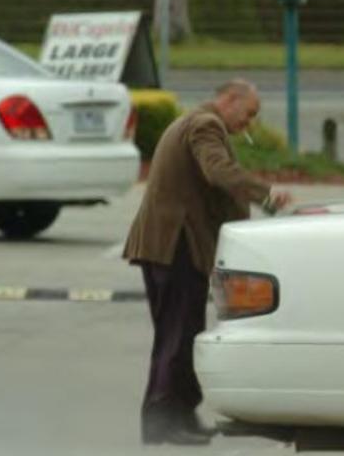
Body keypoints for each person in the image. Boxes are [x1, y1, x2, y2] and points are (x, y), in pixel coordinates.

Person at [123, 79, 291, 446]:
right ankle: (164, 422)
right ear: (229, 99)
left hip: (169, 246)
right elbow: (217, 172)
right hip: (175, 246)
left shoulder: (197, 122)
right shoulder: (206, 125)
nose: (248, 124)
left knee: (179, 334)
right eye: (248, 114)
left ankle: (178, 415)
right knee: (178, 336)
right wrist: (267, 193)